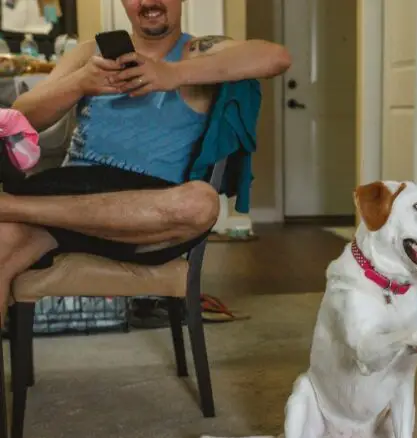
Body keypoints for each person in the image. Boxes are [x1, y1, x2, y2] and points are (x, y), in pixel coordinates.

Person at [0, 0, 290, 322]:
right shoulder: (89, 54)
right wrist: (78, 83)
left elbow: (275, 57)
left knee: (201, 203)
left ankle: (10, 206)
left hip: (144, 218)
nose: (149, 1)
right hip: (68, 203)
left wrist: (172, 74)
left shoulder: (197, 51)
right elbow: (19, 120)